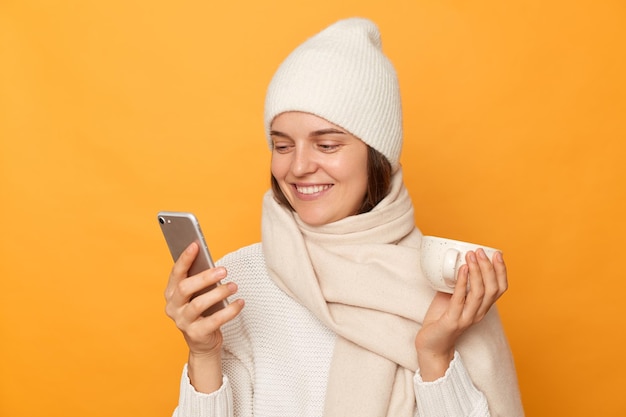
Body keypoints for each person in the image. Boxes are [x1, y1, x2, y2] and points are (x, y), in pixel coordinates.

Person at [164, 17, 524, 417]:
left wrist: (434, 357)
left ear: (376, 156)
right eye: (282, 146)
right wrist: (203, 355)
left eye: (327, 144)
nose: (298, 167)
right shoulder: (238, 283)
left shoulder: (449, 288)